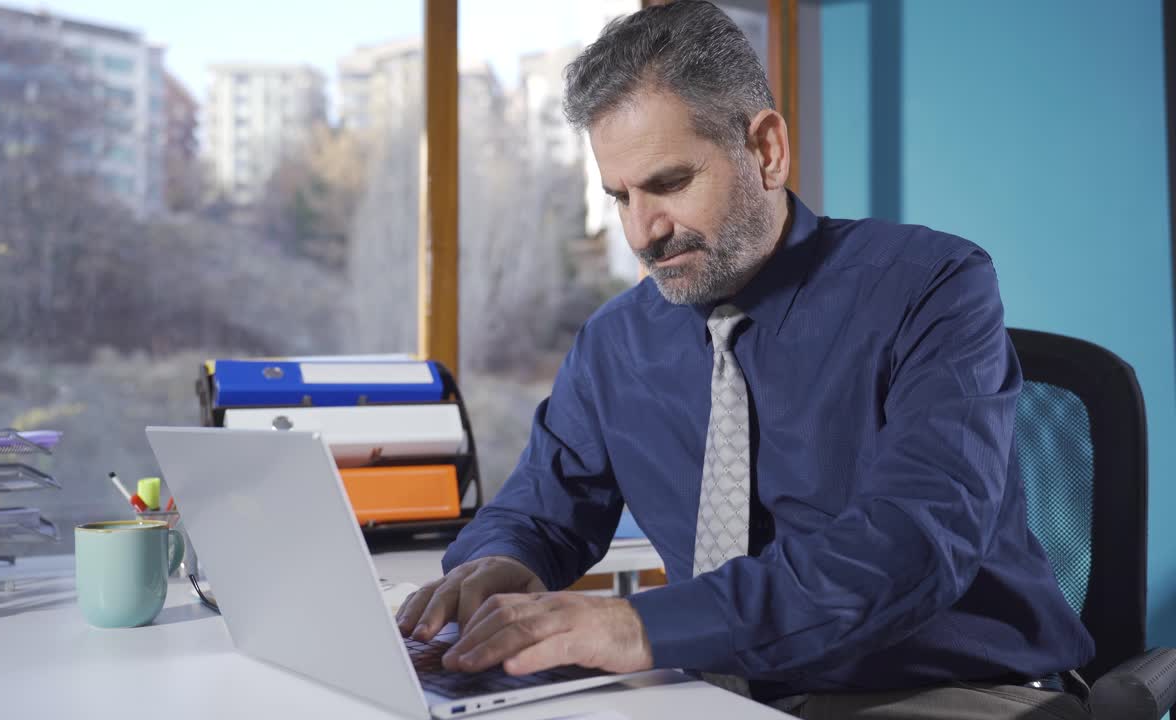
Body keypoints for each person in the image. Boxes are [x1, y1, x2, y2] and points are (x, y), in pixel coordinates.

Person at [396, 2, 1094, 717]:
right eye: (620, 198)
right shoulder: (617, 341)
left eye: (669, 184)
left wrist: (640, 628)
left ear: (764, 149)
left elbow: (911, 544)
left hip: (950, 688)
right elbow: (544, 509)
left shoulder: (932, 286)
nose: (645, 231)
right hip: (712, 692)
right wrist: (500, 564)